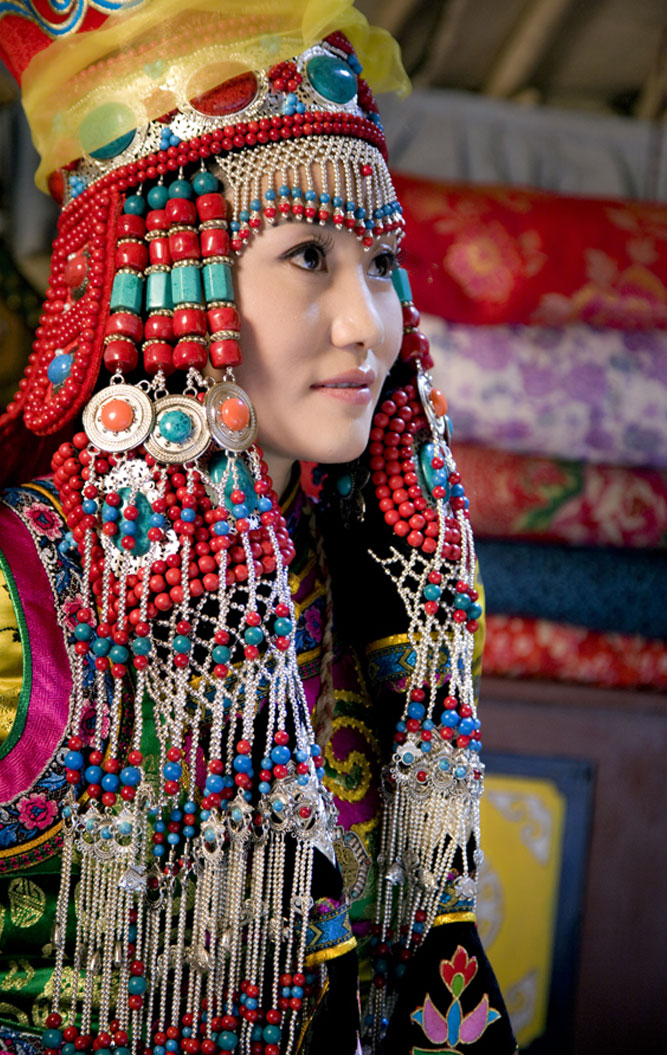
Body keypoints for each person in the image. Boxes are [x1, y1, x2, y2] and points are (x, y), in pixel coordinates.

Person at [0, 2, 516, 1052]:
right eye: (305, 256)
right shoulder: (24, 585)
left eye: (378, 262)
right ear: (159, 269)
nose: (364, 319)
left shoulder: (378, 568)